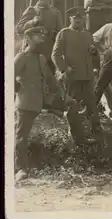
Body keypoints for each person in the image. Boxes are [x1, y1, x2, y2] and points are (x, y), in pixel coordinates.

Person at [14, 27, 91, 182]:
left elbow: (52, 81)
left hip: (45, 99)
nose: (41, 40)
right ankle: (21, 168)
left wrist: (65, 97)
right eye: (37, 37)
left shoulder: (42, 58)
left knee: (73, 104)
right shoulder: (21, 57)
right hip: (27, 102)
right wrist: (17, 89)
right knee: (21, 136)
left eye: (42, 37)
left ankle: (78, 140)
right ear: (28, 39)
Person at [52, 7, 103, 137]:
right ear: (70, 19)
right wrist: (64, 68)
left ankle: (96, 130)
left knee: (92, 103)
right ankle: (73, 132)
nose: (79, 21)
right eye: (76, 19)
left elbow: (94, 55)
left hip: (87, 76)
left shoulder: (88, 34)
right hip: (73, 76)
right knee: (72, 104)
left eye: (81, 19)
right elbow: (55, 54)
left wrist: (94, 56)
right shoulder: (64, 33)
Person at [16, 0, 64, 74]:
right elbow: (19, 29)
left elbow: (61, 34)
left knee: (50, 79)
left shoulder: (55, 12)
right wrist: (32, 22)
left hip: (49, 52)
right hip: (33, 51)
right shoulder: (31, 11)